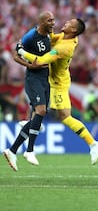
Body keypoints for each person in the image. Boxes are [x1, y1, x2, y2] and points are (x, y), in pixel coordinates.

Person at [15, 18, 98, 165]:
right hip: (54, 79)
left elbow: (41, 60)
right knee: (41, 104)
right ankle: (35, 122)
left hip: (58, 83)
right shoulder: (67, 36)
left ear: (73, 30)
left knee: (64, 117)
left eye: (69, 23)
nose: (65, 23)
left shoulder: (64, 47)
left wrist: (21, 51)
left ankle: (93, 144)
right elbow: (52, 38)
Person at [3, 11, 55, 171]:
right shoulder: (30, 36)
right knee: (40, 111)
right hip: (34, 79)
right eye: (49, 20)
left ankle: (11, 150)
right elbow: (15, 54)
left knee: (37, 119)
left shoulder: (48, 35)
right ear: (41, 23)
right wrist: (29, 65)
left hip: (46, 79)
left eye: (53, 19)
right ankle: (30, 150)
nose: (53, 23)